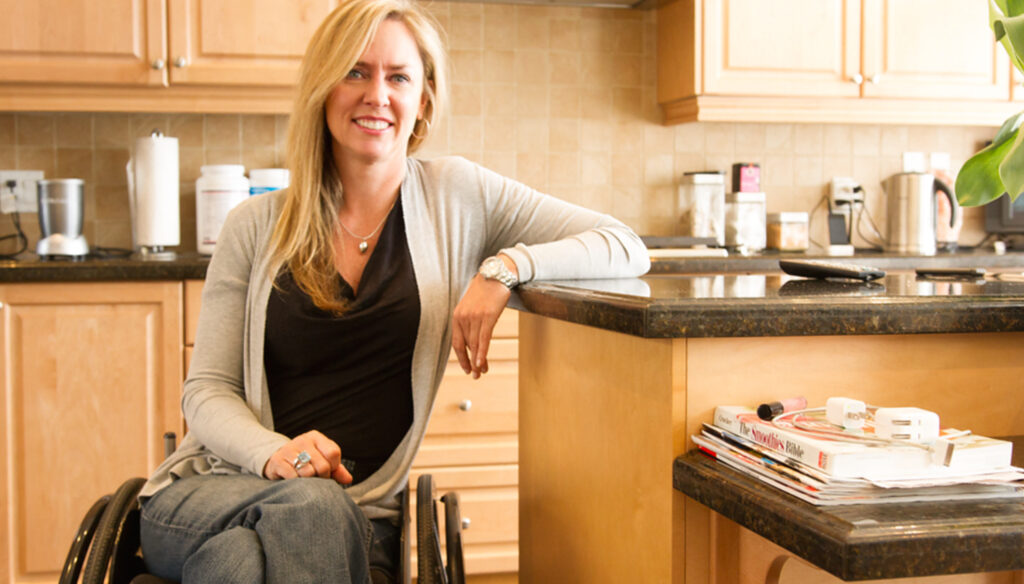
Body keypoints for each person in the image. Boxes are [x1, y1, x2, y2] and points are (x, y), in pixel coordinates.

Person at [136, 0, 650, 582]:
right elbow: (207, 392)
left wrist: (505, 267)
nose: (376, 94)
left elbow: (623, 243)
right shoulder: (254, 225)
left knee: (236, 564)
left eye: (398, 76)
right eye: (356, 71)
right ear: (323, 87)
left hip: (358, 513)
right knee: (308, 506)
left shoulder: (459, 194)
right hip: (215, 491)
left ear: (423, 98)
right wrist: (273, 454)